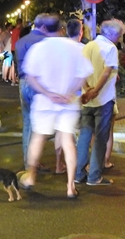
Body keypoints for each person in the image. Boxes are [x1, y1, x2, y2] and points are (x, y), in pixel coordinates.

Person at [20, 15, 93, 198]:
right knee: (68, 140)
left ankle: (31, 176)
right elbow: (82, 76)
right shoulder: (75, 48)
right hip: (68, 102)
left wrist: (47, 93)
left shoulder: (38, 48)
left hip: (45, 102)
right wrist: (69, 92)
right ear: (61, 28)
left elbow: (30, 77)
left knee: (39, 138)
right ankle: (70, 187)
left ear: (44, 29)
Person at [75, 19, 124, 186]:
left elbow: (79, 70)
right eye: (119, 35)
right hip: (103, 99)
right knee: (100, 138)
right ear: (112, 34)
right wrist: (95, 91)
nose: (119, 38)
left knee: (84, 136)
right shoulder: (110, 48)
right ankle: (94, 176)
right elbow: (106, 72)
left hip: (86, 99)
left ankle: (79, 173)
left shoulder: (87, 46)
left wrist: (86, 89)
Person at [14, 14, 54, 172]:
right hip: (39, 85)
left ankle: (27, 162)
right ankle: (34, 163)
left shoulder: (21, 42)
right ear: (44, 27)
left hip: (23, 83)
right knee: (39, 126)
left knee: (27, 123)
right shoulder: (44, 42)